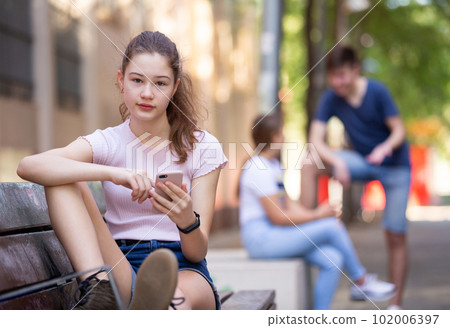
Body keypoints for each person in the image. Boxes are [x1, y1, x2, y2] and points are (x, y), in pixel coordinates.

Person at [17, 31, 227, 310]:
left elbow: (198, 250)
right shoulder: (109, 142)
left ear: (174, 88)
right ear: (121, 81)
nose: (147, 93)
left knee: (174, 301)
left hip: (184, 267)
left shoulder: (202, 146)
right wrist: (114, 173)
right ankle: (97, 288)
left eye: (160, 83)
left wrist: (186, 220)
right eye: (137, 80)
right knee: (63, 177)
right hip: (121, 262)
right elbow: (29, 166)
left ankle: (156, 306)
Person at [238, 114, 396, 310]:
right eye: (282, 133)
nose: (285, 138)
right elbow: (278, 216)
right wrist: (318, 216)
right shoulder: (258, 168)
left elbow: (287, 205)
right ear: (275, 137)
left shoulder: (273, 166)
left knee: (333, 259)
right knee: (331, 226)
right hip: (261, 239)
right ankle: (361, 281)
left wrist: (315, 217)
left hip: (274, 235)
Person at [303, 45, 410, 310]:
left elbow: (399, 130)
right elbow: (314, 139)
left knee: (395, 234)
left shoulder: (377, 92)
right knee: (309, 162)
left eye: (342, 75)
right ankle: (305, 224)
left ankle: (395, 305)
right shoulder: (331, 98)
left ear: (355, 70)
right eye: (333, 76)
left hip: (394, 164)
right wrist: (337, 161)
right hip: (362, 161)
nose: (337, 82)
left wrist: (385, 147)